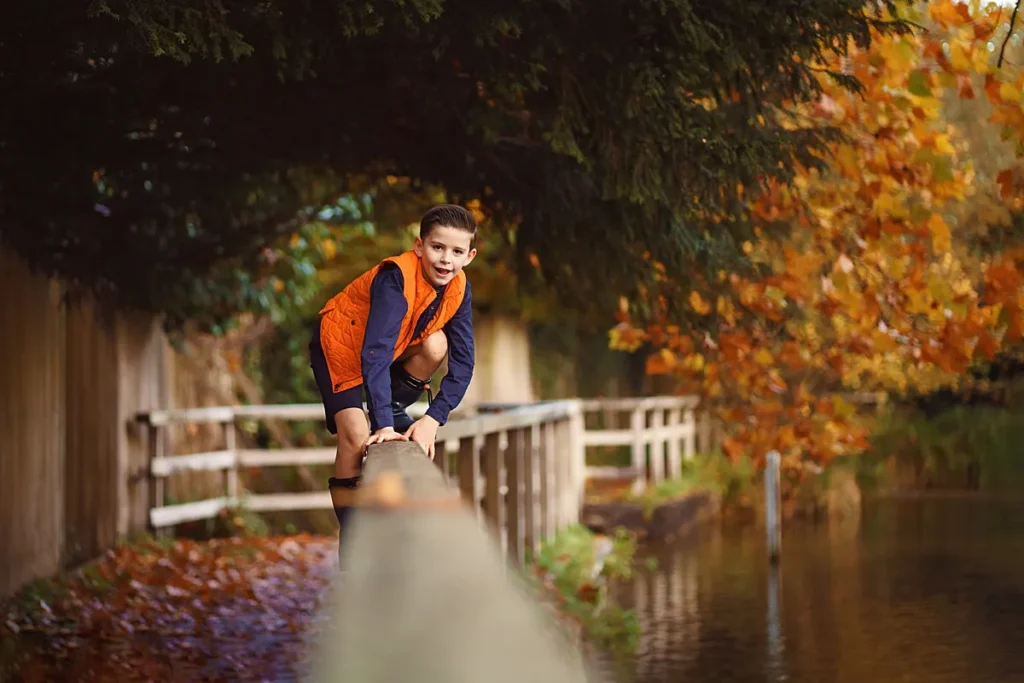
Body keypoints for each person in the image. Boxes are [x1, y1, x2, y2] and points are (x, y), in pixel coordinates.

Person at [309, 204, 477, 540]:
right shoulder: (394, 277)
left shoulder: (459, 288)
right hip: (340, 348)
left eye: (457, 251)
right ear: (419, 246)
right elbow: (376, 352)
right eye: (437, 247)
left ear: (469, 256)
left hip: (388, 350)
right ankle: (353, 533)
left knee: (435, 344)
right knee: (356, 434)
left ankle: (396, 406)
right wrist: (383, 425)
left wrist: (432, 419)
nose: (446, 259)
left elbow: (464, 360)